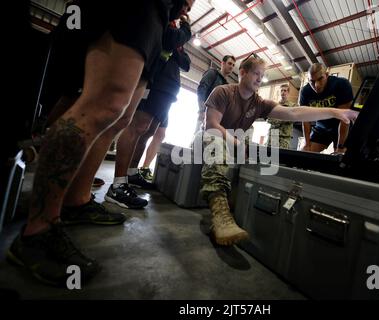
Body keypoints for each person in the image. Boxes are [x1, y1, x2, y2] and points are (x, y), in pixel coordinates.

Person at [7, 0, 195, 287]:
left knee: (117, 118)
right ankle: (38, 229)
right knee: (101, 106)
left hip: (158, 17)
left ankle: (76, 200)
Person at [201, 54, 358, 246]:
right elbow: (211, 125)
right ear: (242, 72)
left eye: (262, 74)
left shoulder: (259, 103)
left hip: (236, 145)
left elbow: (294, 112)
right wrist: (238, 143)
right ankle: (220, 215)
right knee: (217, 140)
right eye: (256, 73)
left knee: (264, 157)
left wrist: (335, 112)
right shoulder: (222, 92)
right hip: (212, 141)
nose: (260, 78)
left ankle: (238, 203)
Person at [106, 18, 192, 208]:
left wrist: (177, 44)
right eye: (185, 5)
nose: (185, 11)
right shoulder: (166, 21)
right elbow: (171, 41)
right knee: (138, 126)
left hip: (168, 88)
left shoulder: (175, 33)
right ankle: (118, 184)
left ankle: (131, 173)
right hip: (154, 81)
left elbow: (186, 63)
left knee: (149, 130)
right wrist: (186, 29)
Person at [300, 63, 354, 153]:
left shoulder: (341, 84)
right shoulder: (305, 92)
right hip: (321, 128)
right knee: (305, 154)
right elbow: (305, 120)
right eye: (312, 81)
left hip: (341, 126)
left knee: (341, 158)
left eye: (320, 79)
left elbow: (344, 119)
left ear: (327, 75)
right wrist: (307, 144)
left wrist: (340, 146)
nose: (316, 85)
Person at [195, 55, 236, 133]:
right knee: (198, 140)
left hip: (216, 122)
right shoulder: (213, 73)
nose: (231, 67)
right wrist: (202, 110)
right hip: (204, 115)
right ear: (223, 63)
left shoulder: (227, 85)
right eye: (229, 63)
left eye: (233, 65)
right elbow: (201, 89)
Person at [266, 84, 296, 149]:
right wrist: (284, 117)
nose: (283, 92)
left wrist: (277, 118)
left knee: (281, 157)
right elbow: (269, 119)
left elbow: (293, 119)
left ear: (288, 92)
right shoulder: (274, 105)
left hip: (284, 137)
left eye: (285, 90)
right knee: (270, 156)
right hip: (273, 135)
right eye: (281, 91)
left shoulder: (293, 106)